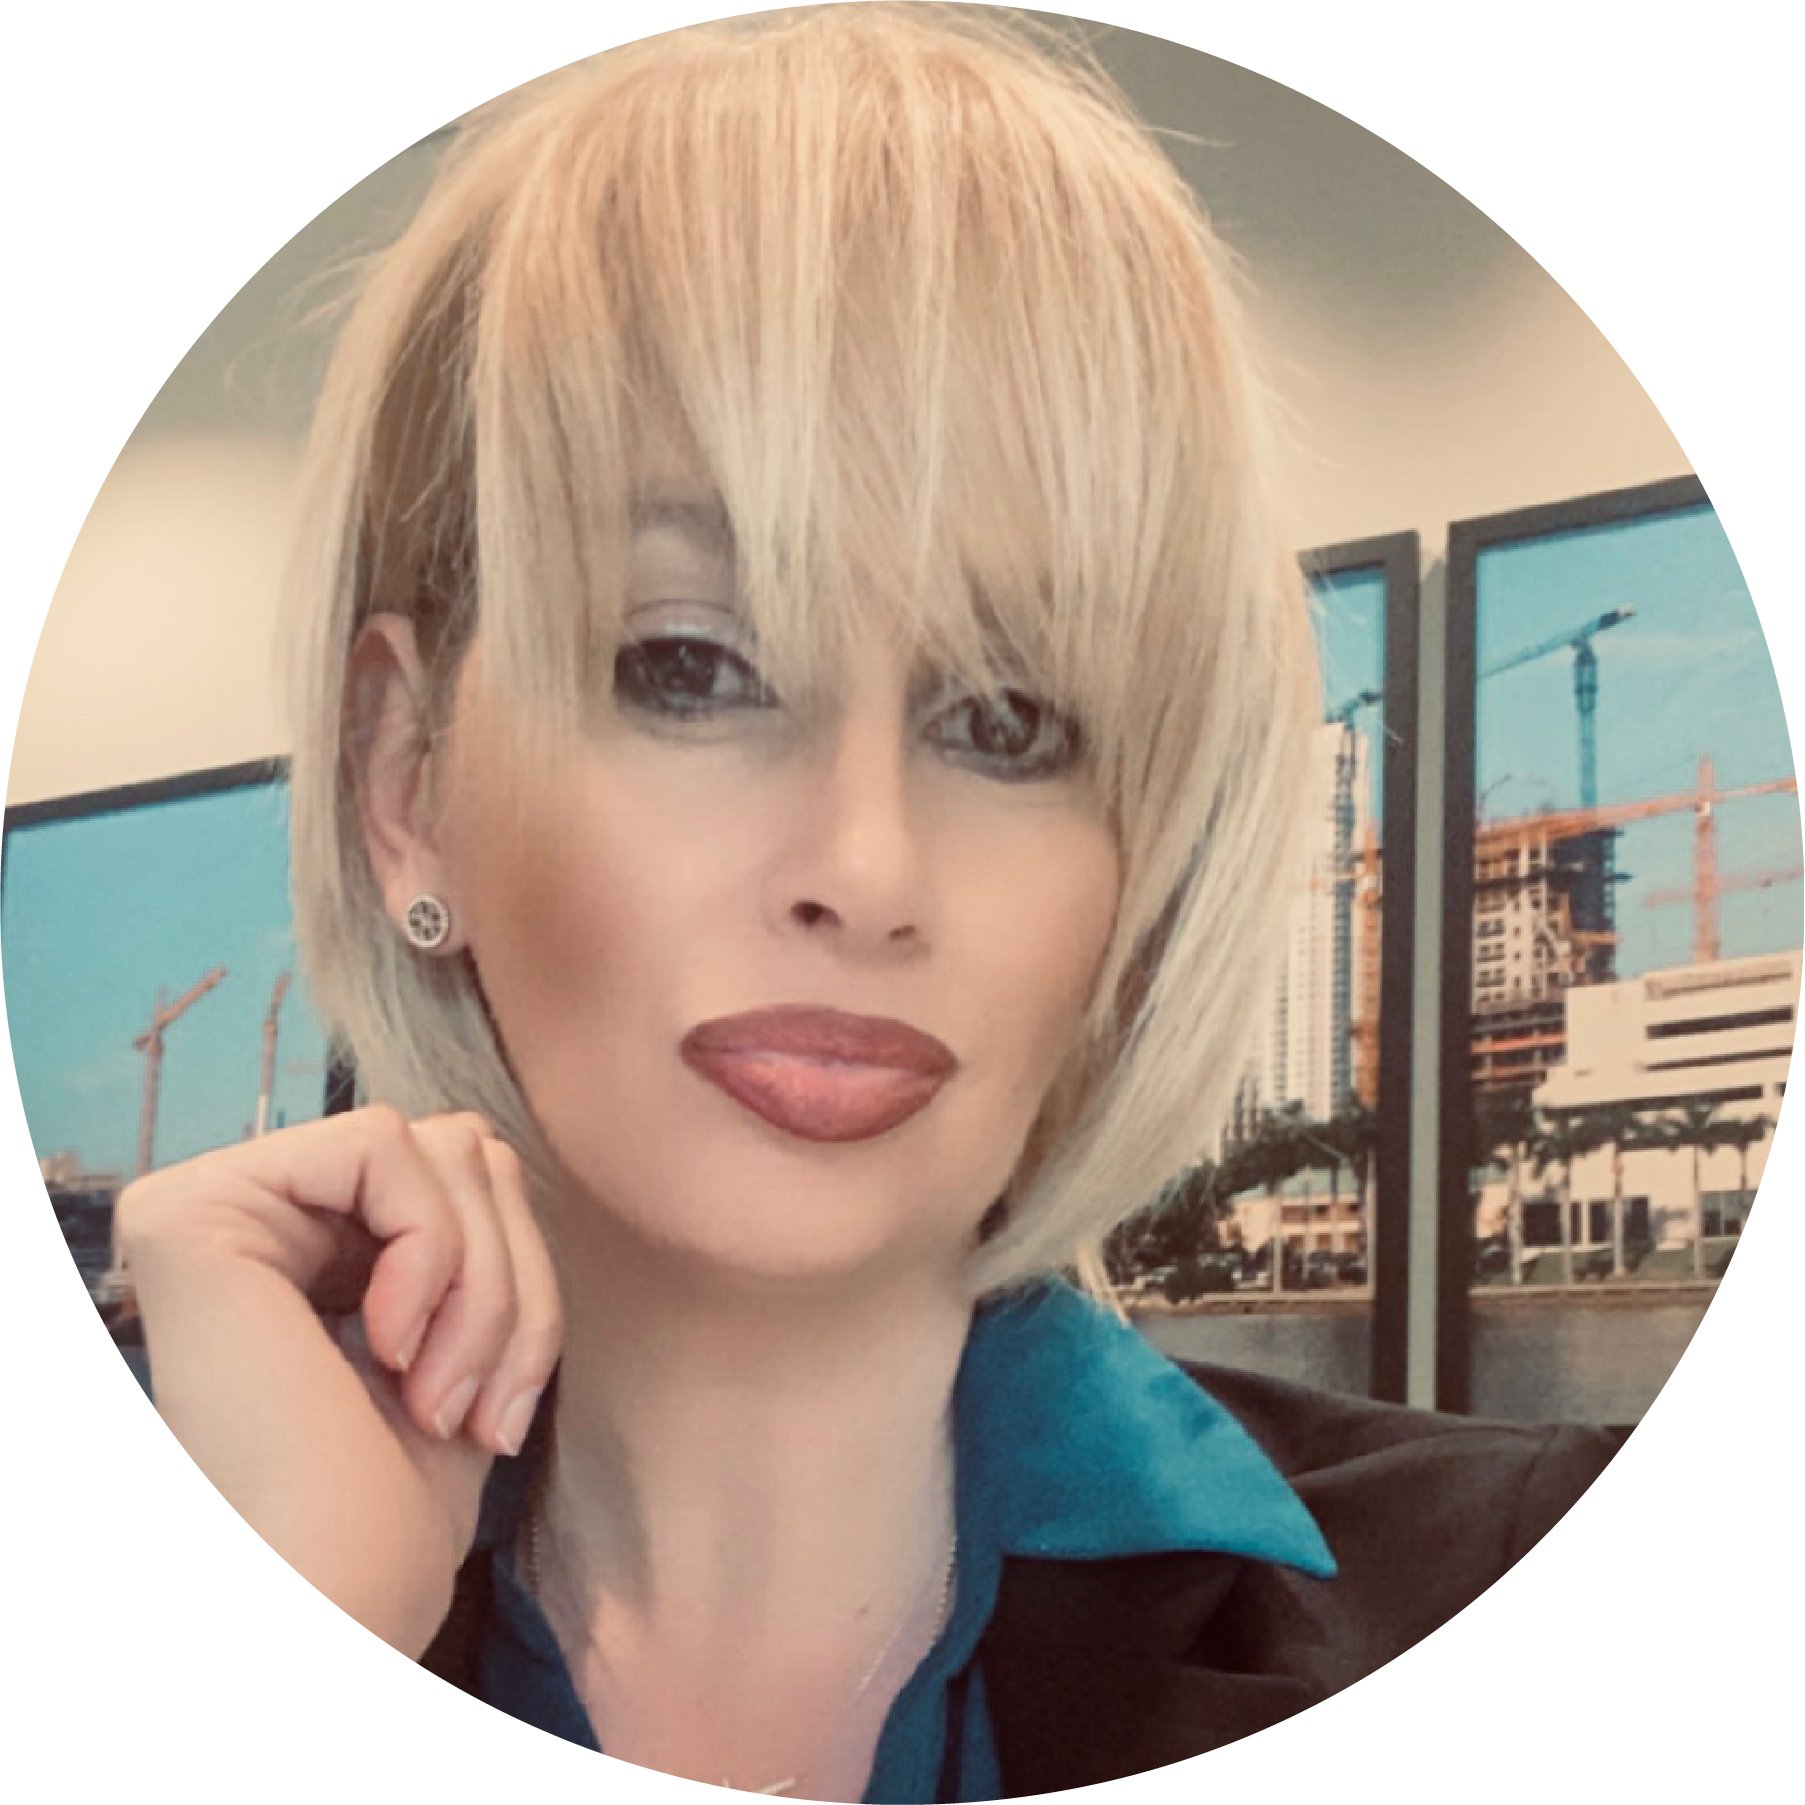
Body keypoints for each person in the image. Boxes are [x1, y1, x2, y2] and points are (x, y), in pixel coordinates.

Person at [115, 6, 1618, 1799]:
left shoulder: (1549, 1599)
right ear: (408, 779)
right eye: (691, 665)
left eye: (1009, 719)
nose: (867, 869)